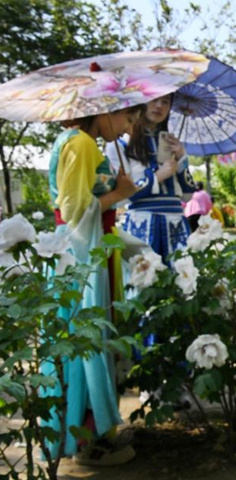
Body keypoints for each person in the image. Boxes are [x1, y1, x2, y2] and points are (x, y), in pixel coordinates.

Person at [44, 105, 144, 466]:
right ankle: (88, 443)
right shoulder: (81, 143)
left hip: (85, 252)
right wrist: (119, 194)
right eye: (127, 118)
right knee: (87, 343)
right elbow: (73, 212)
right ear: (104, 111)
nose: (128, 127)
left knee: (83, 343)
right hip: (83, 257)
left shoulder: (77, 141)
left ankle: (84, 436)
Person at [106, 95, 196, 264]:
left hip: (176, 224)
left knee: (181, 282)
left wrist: (182, 158)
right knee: (143, 282)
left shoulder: (172, 142)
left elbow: (187, 196)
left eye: (165, 102)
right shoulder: (120, 144)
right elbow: (120, 196)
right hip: (142, 223)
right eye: (154, 99)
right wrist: (156, 177)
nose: (159, 106)